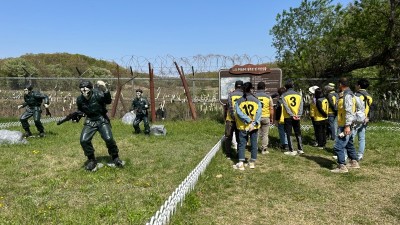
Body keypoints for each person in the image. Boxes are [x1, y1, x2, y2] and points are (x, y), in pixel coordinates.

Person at [77, 80, 124, 171]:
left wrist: (105, 89)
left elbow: (108, 100)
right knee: (84, 140)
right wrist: (77, 116)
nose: (84, 92)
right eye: (82, 90)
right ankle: (91, 159)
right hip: (90, 121)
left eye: (86, 89)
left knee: (109, 138)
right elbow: (80, 110)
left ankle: (115, 157)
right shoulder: (79, 99)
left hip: (101, 119)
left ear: (91, 89)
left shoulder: (98, 94)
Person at [330, 77, 360, 173]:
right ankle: (354, 162)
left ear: (340, 85)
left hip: (345, 124)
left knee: (338, 146)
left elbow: (348, 111)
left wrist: (347, 126)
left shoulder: (347, 95)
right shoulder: (350, 94)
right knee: (349, 144)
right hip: (348, 123)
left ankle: (341, 166)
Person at [233, 82, 262, 170]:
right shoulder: (256, 100)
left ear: (242, 89)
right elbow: (259, 113)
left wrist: (248, 120)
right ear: (251, 89)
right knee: (254, 143)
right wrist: (253, 123)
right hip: (254, 126)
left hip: (243, 126)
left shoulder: (239, 101)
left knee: (242, 143)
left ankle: (241, 163)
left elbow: (238, 113)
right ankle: (252, 162)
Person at [281, 79, 304, 156]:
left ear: (285, 87)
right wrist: (299, 115)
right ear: (293, 86)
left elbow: (286, 106)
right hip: (297, 116)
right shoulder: (298, 95)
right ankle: (300, 149)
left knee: (289, 133)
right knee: (298, 132)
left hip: (288, 116)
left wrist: (291, 115)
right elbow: (301, 106)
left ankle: (291, 150)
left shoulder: (284, 95)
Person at [354, 78, 373, 160]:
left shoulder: (357, 95)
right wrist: (368, 117)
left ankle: (347, 154)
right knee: (362, 138)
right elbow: (372, 108)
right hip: (365, 119)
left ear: (359, 86)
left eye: (356, 84)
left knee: (351, 137)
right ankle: (360, 154)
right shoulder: (369, 96)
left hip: (357, 119)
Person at [224, 80, 243, 159]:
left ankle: (228, 154)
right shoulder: (244, 95)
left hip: (230, 119)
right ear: (242, 87)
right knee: (240, 138)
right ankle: (239, 153)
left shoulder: (230, 95)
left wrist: (232, 116)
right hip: (240, 120)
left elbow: (229, 106)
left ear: (235, 86)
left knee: (228, 137)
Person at [254, 82, 274, 154]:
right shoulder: (268, 97)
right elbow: (271, 108)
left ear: (257, 88)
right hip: (266, 117)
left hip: (256, 117)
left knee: (255, 133)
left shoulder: (254, 96)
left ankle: (254, 148)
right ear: (264, 88)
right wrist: (271, 118)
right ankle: (264, 149)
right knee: (265, 134)